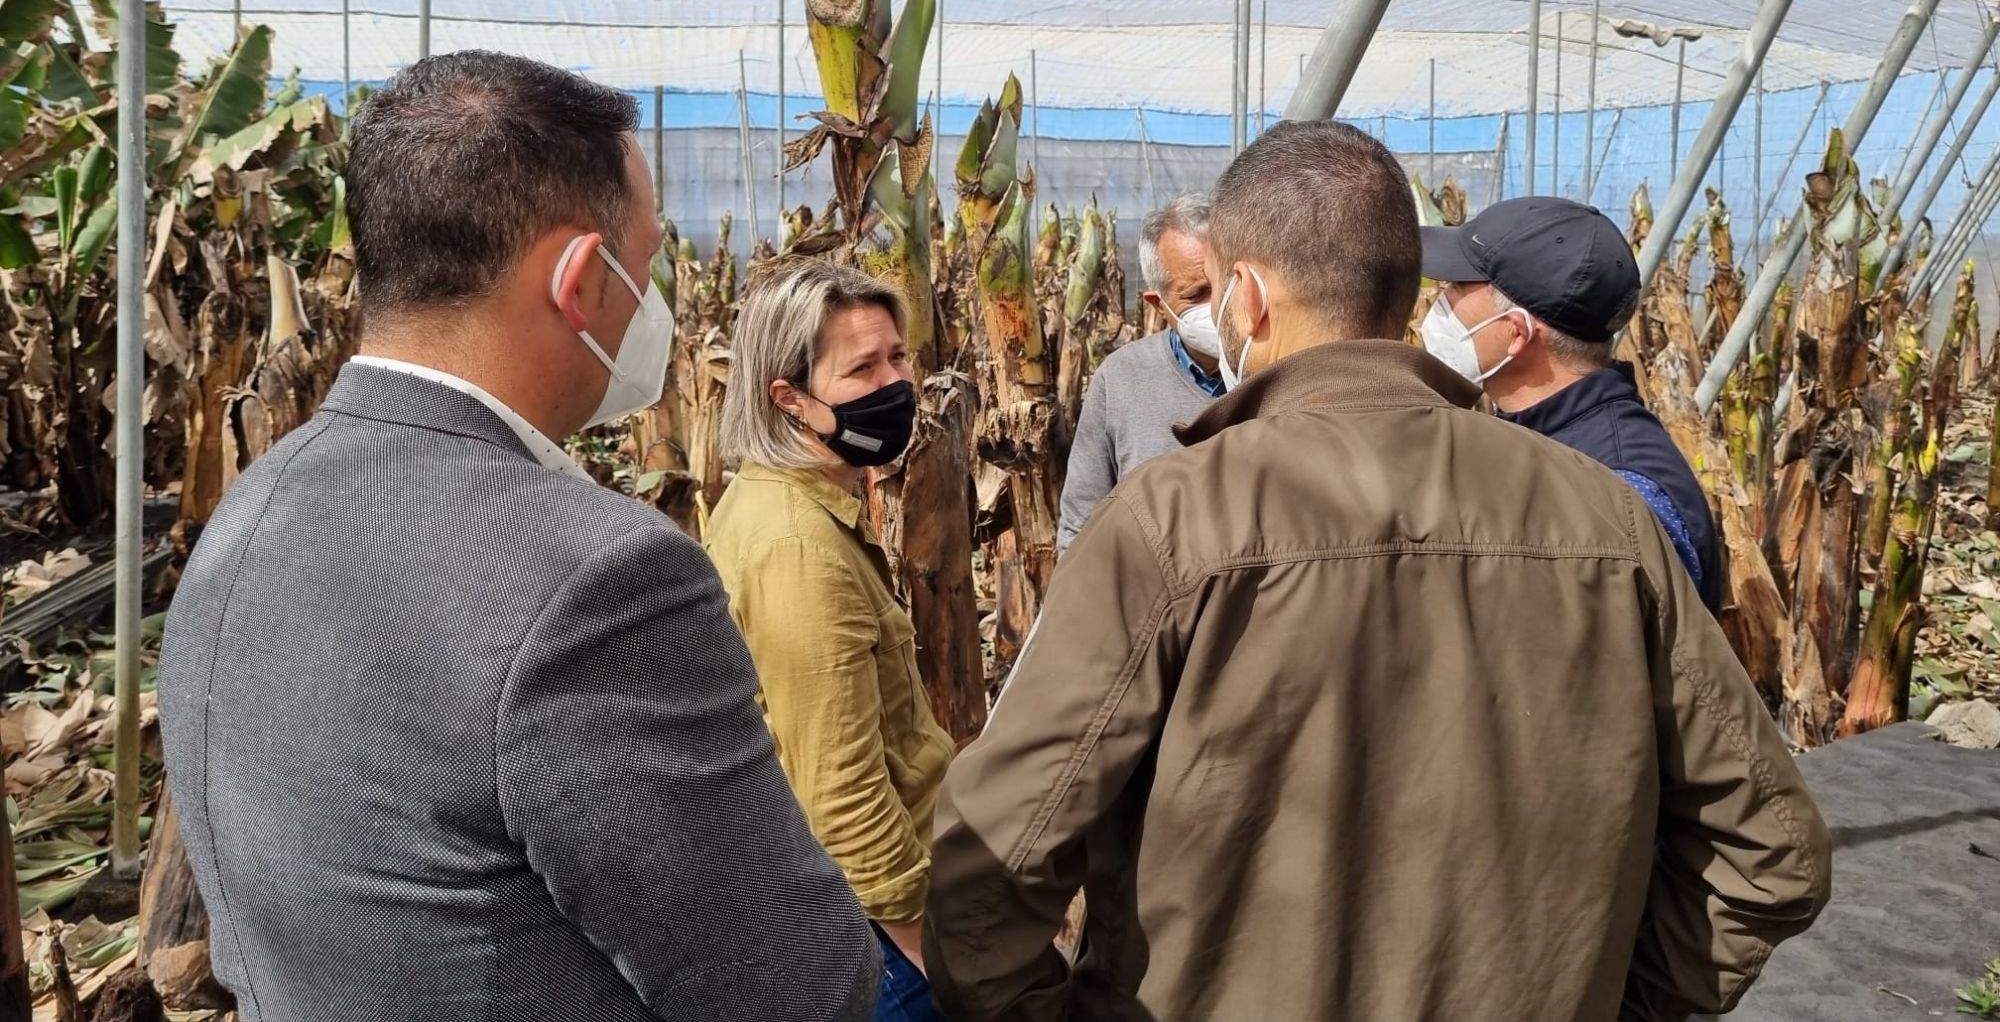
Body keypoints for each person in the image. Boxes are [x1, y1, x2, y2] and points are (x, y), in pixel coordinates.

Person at [922, 121, 1831, 1021]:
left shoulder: (1172, 519)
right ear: (1402, 292)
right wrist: (1623, 1001)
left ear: (1247, 296)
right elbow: (1773, 852)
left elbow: (992, 869)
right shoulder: (1608, 516)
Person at [156, 52, 878, 1021]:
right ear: (579, 281)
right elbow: (795, 989)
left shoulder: (250, 509)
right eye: (646, 265)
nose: (654, 304)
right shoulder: (597, 581)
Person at [707, 257, 957, 1022]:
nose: (896, 384)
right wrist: (930, 951)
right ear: (789, 398)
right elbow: (841, 795)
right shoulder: (798, 550)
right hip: (885, 943)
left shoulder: (792, 503)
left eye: (898, 357)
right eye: (862, 369)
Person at [1418, 196, 1723, 613]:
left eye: (1457, 286)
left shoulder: (1616, 493)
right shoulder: (1544, 437)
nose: (1441, 300)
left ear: (1516, 333)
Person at [1056, 194, 1222, 552]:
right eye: (1198, 294)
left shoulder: (1282, 369)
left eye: (1225, 285)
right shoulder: (1120, 379)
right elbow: (1081, 524)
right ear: (1158, 305)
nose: (1218, 307)